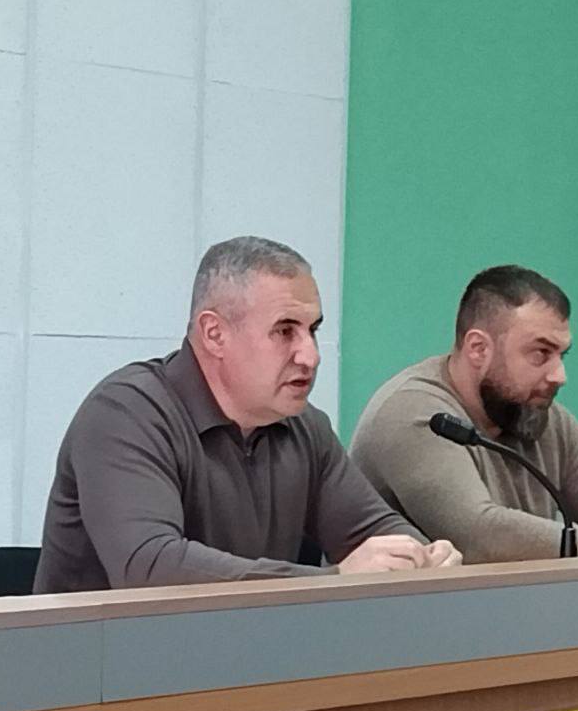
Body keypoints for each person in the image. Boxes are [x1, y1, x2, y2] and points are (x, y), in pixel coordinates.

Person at [34, 236, 461, 592]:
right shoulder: (126, 414)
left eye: (312, 330)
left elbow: (372, 529)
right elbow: (150, 567)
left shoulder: (303, 427)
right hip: (102, 664)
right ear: (214, 334)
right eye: (285, 330)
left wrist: (424, 557)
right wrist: (330, 580)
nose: (310, 356)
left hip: (239, 658)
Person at [351, 265, 578, 562]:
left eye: (561, 355)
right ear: (478, 349)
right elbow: (481, 538)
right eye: (541, 353)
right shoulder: (415, 413)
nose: (559, 375)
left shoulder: (539, 416)